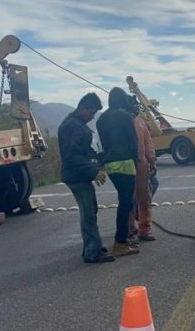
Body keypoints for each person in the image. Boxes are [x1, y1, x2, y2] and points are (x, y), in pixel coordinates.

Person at [58, 93, 113, 263]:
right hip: (77, 177)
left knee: (90, 209)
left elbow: (83, 152)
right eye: (91, 112)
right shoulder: (72, 127)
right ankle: (92, 252)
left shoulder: (75, 124)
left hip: (79, 175)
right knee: (88, 212)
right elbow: (72, 156)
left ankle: (92, 245)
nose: (92, 116)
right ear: (83, 108)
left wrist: (97, 160)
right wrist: (93, 171)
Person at [96, 87, 140, 257]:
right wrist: (136, 162)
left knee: (124, 202)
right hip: (126, 164)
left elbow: (102, 144)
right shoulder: (125, 117)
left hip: (111, 165)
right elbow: (132, 142)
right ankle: (120, 242)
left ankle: (124, 240)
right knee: (126, 204)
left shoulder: (101, 119)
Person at [127, 95, 157, 242]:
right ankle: (131, 230)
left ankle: (143, 229)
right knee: (131, 200)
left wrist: (152, 161)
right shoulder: (127, 122)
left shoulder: (140, 123)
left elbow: (148, 144)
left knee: (144, 199)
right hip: (131, 165)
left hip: (141, 165)